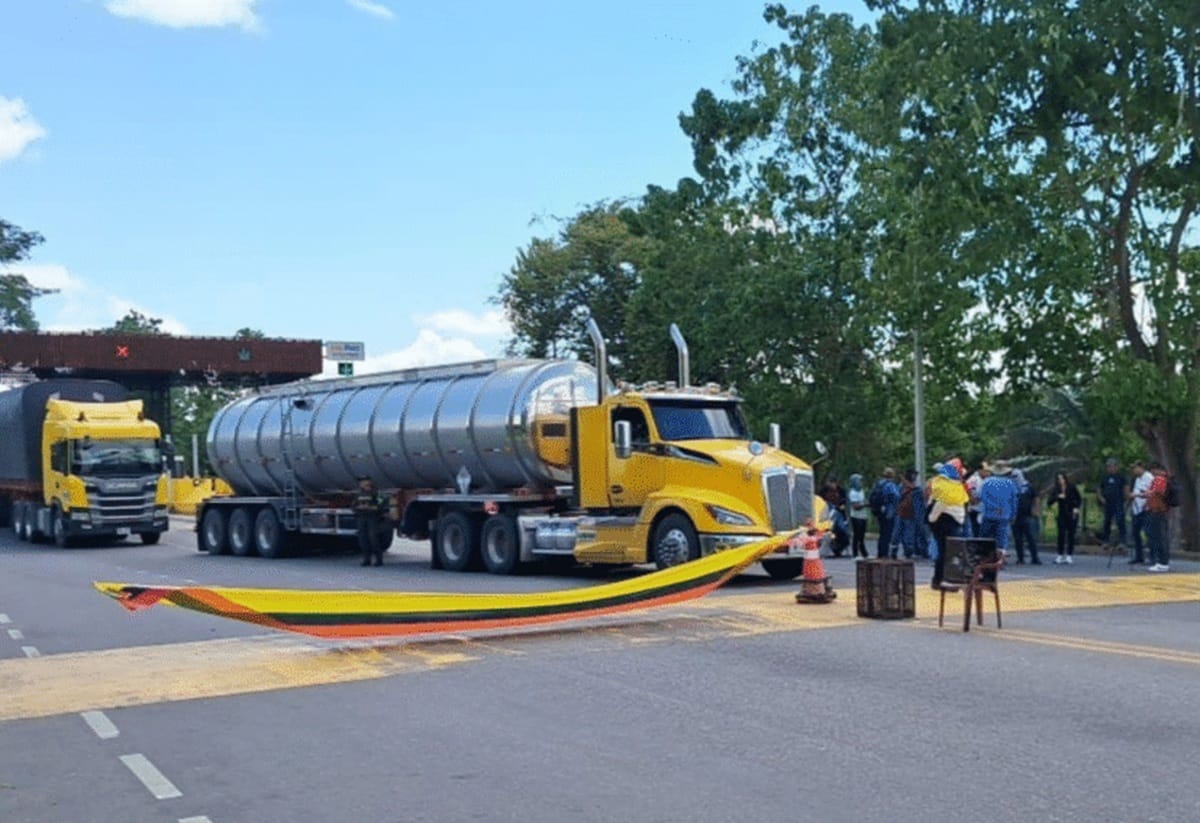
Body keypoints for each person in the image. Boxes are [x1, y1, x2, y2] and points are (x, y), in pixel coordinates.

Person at [927, 461, 969, 590]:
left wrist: (932, 520)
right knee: (948, 552)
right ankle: (944, 580)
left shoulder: (946, 484)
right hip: (947, 522)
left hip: (946, 522)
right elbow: (941, 504)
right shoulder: (948, 486)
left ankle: (940, 580)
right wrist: (932, 519)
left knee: (947, 552)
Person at [977, 461, 1018, 561]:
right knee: (1002, 538)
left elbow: (981, 497)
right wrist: (1013, 515)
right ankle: (1000, 559)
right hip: (1004, 514)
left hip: (988, 514)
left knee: (985, 537)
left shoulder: (986, 482)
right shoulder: (1010, 483)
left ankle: (984, 558)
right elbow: (1014, 501)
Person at [1046, 472, 1082, 564]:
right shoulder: (1056, 489)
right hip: (1061, 514)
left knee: (1071, 534)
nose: (1061, 481)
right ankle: (1060, 555)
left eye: (1062, 478)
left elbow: (1078, 499)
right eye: (1059, 479)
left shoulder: (1072, 487)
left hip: (1071, 513)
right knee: (1061, 534)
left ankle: (1069, 555)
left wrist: (1076, 508)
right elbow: (1049, 501)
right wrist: (1057, 497)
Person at [354, 476, 389, 567]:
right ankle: (367, 559)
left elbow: (383, 504)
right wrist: (358, 508)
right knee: (363, 539)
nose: (362, 484)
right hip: (362, 518)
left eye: (364, 482)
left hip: (373, 518)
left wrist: (372, 508)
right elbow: (353, 506)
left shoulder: (376, 494)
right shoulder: (359, 494)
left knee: (373, 538)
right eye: (361, 482)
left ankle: (379, 559)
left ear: (369, 482)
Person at [1010, 468, 1042, 565]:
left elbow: (1036, 498)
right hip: (1015, 516)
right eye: (1013, 476)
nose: (1015, 478)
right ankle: (1020, 558)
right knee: (1018, 539)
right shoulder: (1011, 487)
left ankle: (1035, 558)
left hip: (1027, 515)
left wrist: (1035, 509)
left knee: (1031, 537)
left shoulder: (1028, 486)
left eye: (1016, 476)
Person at [1144, 463, 1171, 572]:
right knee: (1157, 536)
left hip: (1158, 511)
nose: (1152, 473)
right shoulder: (1163, 479)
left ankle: (1162, 562)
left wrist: (1149, 493)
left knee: (1159, 537)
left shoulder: (1160, 479)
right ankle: (1161, 561)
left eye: (1153, 470)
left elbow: (1158, 491)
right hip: (1157, 510)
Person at [1096, 457, 1128, 548]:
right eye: (1109, 466)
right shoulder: (1104, 477)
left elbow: (1126, 488)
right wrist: (1101, 498)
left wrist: (1125, 498)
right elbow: (1099, 489)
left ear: (1116, 467)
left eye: (1113, 466)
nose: (1111, 468)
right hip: (1107, 503)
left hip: (1118, 502)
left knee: (1120, 521)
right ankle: (1106, 541)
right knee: (1107, 522)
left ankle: (1122, 542)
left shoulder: (1121, 477)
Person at [871, 468, 901, 559]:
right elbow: (896, 496)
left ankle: (880, 552)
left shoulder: (878, 484)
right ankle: (885, 553)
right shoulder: (890, 485)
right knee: (887, 533)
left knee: (882, 532)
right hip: (889, 511)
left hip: (880, 511)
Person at [895, 468, 924, 559]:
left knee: (901, 532)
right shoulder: (910, 487)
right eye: (914, 475)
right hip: (909, 513)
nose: (915, 477)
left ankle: (906, 550)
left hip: (902, 512)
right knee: (908, 533)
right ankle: (908, 551)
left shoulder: (902, 486)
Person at [1128, 460, 1152, 565]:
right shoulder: (1137, 479)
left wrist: (1136, 495)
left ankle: (1153, 556)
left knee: (1148, 533)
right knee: (1135, 533)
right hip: (1136, 508)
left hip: (1145, 508)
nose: (1134, 470)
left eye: (1135, 468)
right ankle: (1139, 556)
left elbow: (1148, 493)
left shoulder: (1148, 477)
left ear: (1141, 467)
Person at [820, 474, 850, 557]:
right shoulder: (823, 491)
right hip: (827, 513)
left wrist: (842, 506)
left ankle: (839, 548)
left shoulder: (841, 491)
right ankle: (826, 549)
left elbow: (844, 502)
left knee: (842, 529)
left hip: (838, 513)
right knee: (826, 531)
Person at [846, 473, 870, 560]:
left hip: (863, 516)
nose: (861, 482)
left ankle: (864, 554)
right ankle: (855, 554)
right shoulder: (853, 492)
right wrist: (865, 504)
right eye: (859, 481)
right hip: (856, 516)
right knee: (857, 535)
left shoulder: (861, 491)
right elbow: (855, 506)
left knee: (862, 536)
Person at [965, 461, 991, 537]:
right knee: (977, 531)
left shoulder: (986, 479)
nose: (987, 473)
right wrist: (971, 498)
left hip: (983, 509)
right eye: (985, 471)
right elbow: (967, 488)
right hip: (975, 509)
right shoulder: (974, 479)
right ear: (980, 470)